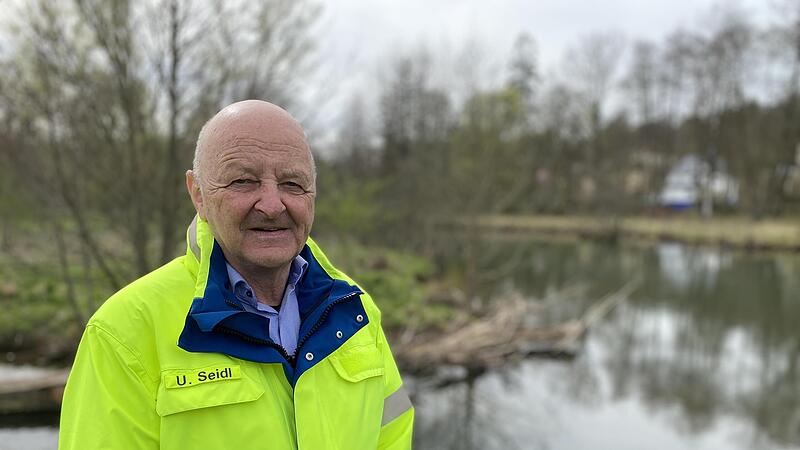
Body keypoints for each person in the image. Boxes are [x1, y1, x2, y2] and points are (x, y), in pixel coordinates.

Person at [58, 100, 414, 449]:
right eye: (244, 181)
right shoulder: (123, 331)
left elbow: (393, 437)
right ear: (198, 193)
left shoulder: (355, 312)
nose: (273, 205)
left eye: (292, 184)